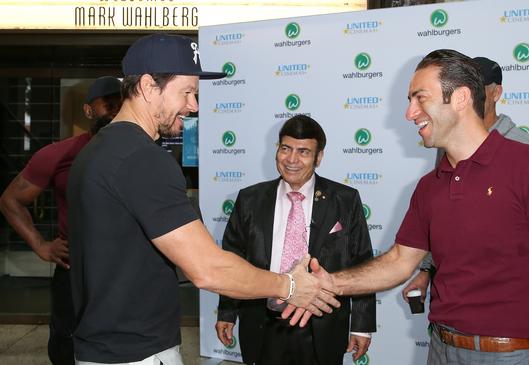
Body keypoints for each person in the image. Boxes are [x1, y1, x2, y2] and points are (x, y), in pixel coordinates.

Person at [285, 49, 529, 365]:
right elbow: (398, 261)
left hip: (512, 355)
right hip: (442, 350)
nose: (409, 113)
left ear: (461, 98)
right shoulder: (430, 186)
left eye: (420, 98)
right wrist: (332, 283)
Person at [66, 33, 338, 365]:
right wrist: (290, 286)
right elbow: (208, 269)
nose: (194, 106)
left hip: (103, 346)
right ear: (149, 86)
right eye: (187, 92)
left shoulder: (97, 149)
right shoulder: (141, 158)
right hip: (137, 353)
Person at [215, 115, 376, 365]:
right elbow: (232, 258)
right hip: (262, 322)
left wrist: (361, 326)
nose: (292, 159)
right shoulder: (250, 199)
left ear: (318, 157)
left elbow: (362, 264)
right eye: (285, 149)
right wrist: (226, 312)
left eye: (303, 152)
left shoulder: (345, 200)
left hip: (321, 325)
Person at [402, 56, 529, 308]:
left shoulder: (528, 152)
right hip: (451, 308)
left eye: (481, 88)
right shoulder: (447, 144)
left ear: (496, 92)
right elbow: (445, 220)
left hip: (506, 313)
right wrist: (427, 270)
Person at [0, 76, 122, 365]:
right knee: (67, 344)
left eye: (123, 105)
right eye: (109, 105)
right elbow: (10, 200)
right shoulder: (59, 154)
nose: (117, 112)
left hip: (126, 269)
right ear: (89, 111)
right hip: (75, 268)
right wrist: (41, 245)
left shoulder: (144, 155)